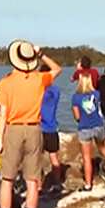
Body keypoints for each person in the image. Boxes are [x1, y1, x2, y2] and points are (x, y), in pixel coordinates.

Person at [0, 40, 62, 208]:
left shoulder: (5, 83)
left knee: (7, 179)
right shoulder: (39, 79)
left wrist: (0, 140)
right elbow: (57, 69)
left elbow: (3, 114)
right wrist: (42, 55)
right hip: (34, 129)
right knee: (33, 180)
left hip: (13, 129)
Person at [71, 74, 105, 191]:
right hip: (98, 125)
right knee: (103, 148)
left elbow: (77, 117)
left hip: (85, 128)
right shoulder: (96, 94)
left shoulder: (75, 97)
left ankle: (88, 184)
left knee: (86, 157)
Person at [39, 64, 64, 193]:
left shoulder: (39, 90)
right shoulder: (56, 90)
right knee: (54, 157)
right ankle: (57, 183)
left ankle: (39, 185)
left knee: (37, 158)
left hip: (40, 127)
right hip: (52, 127)